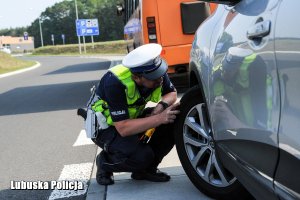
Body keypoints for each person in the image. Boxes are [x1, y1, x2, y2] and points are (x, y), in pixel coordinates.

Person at [90, 43, 180, 185]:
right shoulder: (114, 83)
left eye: (161, 74)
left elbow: (171, 93)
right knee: (141, 157)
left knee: (175, 118)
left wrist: (160, 107)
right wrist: (159, 118)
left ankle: (146, 170)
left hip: (130, 119)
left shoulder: (155, 73)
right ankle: (105, 162)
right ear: (137, 78)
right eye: (155, 78)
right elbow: (123, 128)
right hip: (104, 128)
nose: (160, 79)